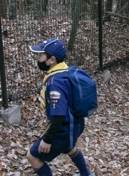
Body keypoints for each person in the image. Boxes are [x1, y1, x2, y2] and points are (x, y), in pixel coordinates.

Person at [26, 38, 93, 176]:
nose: (38, 59)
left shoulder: (54, 82)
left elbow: (59, 114)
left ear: (52, 60)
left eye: (41, 56)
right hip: (76, 124)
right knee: (69, 148)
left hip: (64, 128)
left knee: (32, 157)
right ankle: (86, 174)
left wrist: (47, 139)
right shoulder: (64, 71)